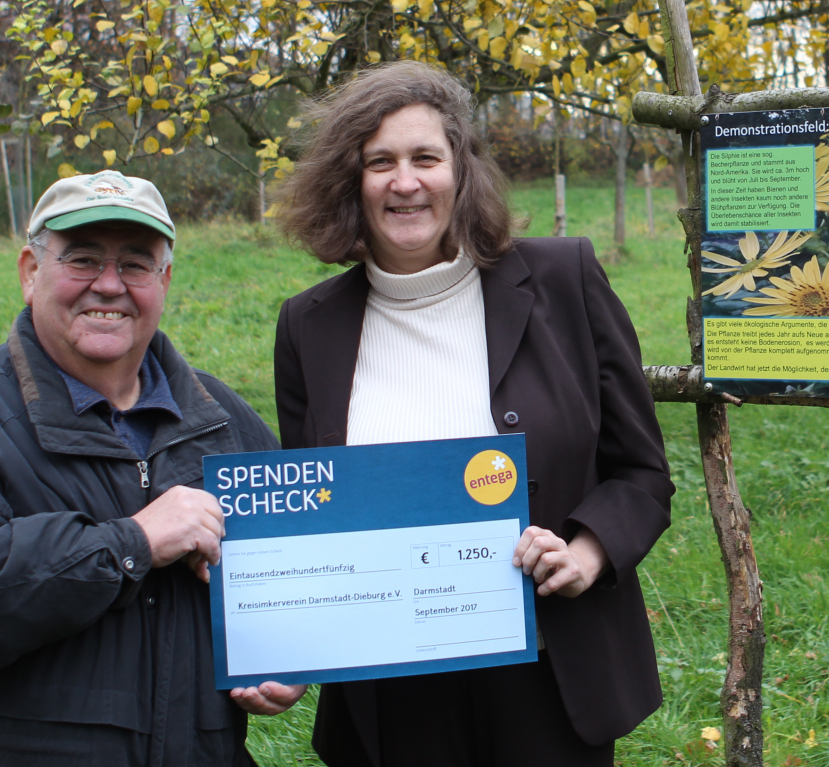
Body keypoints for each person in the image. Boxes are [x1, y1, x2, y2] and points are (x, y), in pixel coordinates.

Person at [270, 61, 673, 767]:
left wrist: (585, 553)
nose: (405, 182)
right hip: (392, 690)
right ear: (350, 182)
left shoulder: (563, 280)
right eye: (380, 162)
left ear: (461, 169)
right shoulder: (309, 326)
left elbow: (641, 473)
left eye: (426, 156)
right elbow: (315, 511)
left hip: (548, 676)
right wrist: (293, 637)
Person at [0, 170, 305, 766]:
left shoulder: (222, 421)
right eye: (82, 259)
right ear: (30, 272)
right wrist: (133, 542)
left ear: (164, 279)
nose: (108, 285)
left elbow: (295, 569)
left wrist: (283, 654)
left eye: (134, 263)